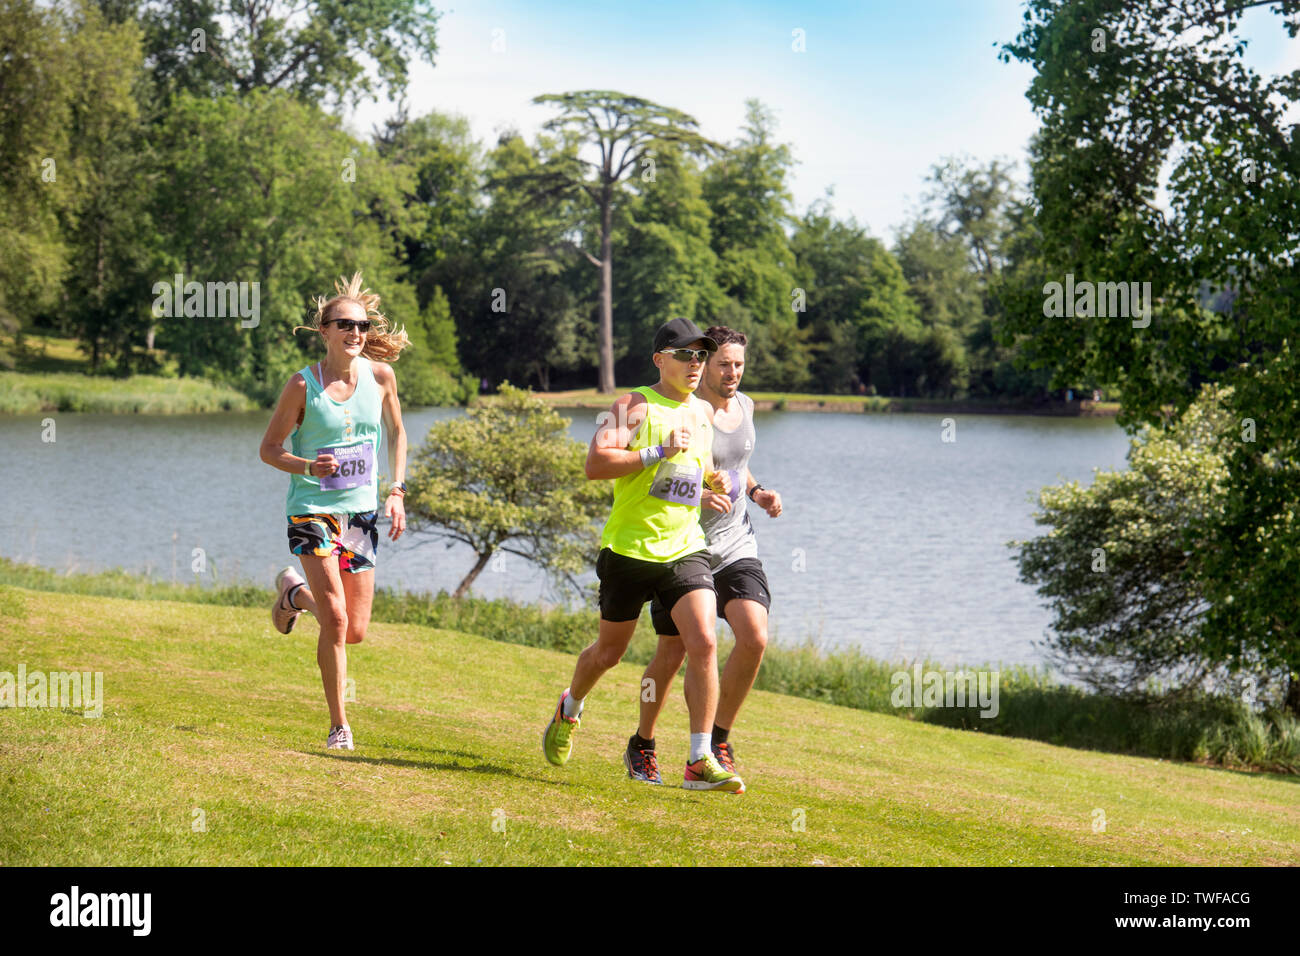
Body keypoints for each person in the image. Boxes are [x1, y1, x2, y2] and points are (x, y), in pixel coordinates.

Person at [541, 317, 743, 792]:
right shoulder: (632, 405)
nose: (696, 364)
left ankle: (698, 759)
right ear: (660, 359)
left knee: (705, 643)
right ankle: (570, 708)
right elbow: (595, 464)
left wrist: (711, 486)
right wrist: (656, 451)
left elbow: (697, 469)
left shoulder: (703, 413)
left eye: (701, 355)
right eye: (686, 355)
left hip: (684, 548)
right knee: (608, 654)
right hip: (629, 550)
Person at [625, 326, 782, 786]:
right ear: (704, 364)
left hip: (735, 543)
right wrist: (696, 496)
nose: (731, 372)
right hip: (683, 543)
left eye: (738, 364)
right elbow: (656, 481)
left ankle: (716, 742)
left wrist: (756, 491)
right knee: (672, 654)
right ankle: (643, 743)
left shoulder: (746, 407)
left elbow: (737, 464)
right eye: (722, 364)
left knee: (754, 636)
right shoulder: (683, 411)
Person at [259, 273, 409, 751]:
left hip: (360, 515)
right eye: (343, 324)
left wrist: (397, 490)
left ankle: (292, 595)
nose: (355, 332)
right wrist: (307, 465)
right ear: (323, 330)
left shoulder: (381, 377)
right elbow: (269, 449)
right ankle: (339, 726)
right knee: (338, 622)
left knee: (355, 629)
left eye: (361, 325)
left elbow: (399, 434)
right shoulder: (302, 386)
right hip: (311, 509)